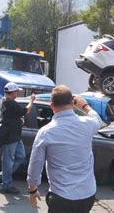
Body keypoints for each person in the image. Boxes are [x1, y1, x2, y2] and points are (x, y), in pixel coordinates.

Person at [27, 85, 103, 213]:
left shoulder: (46, 132)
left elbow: (35, 165)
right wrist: (84, 105)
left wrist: (32, 189)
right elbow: (98, 120)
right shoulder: (87, 124)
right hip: (88, 195)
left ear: (52, 106)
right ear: (73, 103)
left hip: (62, 197)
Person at [0, 82, 35, 194]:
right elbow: (25, 111)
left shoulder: (5, 101)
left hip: (15, 136)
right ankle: (6, 185)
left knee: (21, 156)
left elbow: (11, 116)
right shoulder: (10, 102)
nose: (18, 93)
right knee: (8, 161)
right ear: (13, 92)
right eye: (17, 91)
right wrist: (31, 100)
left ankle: (3, 176)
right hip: (9, 136)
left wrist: (19, 120)